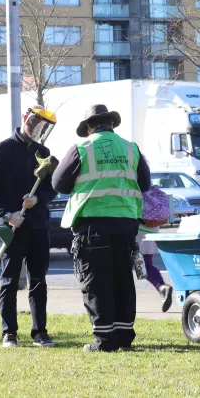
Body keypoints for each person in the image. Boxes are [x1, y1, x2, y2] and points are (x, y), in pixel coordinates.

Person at [51, 104, 151, 352]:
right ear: (112, 124)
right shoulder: (131, 148)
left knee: (96, 282)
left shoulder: (81, 149)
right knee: (122, 280)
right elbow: (145, 183)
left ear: (88, 126)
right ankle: (124, 336)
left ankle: (105, 340)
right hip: (126, 224)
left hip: (94, 225)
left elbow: (58, 184)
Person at [0, 106, 59, 348]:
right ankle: (9, 333)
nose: (39, 130)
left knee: (39, 280)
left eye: (44, 127)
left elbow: (52, 187)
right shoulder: (0, 150)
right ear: (26, 119)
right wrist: (7, 214)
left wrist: (38, 199)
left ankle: (40, 332)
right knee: (9, 279)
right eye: (36, 124)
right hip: (11, 227)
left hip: (38, 226)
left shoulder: (44, 153)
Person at [138, 184, 174, 312]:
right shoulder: (153, 190)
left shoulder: (133, 188)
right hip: (152, 230)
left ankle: (161, 287)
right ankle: (161, 287)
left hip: (137, 229)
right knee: (146, 264)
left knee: (128, 265)